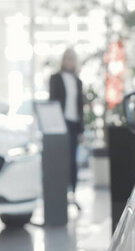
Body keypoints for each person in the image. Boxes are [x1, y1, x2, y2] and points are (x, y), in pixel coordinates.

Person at [49, 48, 84, 195]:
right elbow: (53, 102)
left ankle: (73, 193)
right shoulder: (55, 78)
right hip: (60, 124)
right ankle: (60, 193)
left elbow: (80, 106)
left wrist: (82, 129)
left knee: (72, 161)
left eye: (72, 58)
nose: (70, 61)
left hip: (74, 124)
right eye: (67, 58)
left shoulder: (78, 81)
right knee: (61, 159)